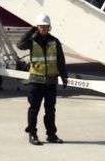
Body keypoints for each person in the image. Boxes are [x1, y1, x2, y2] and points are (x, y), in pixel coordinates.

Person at [17, 14, 68, 146]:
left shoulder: (55, 41)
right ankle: (32, 134)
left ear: (49, 27)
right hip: (36, 81)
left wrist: (64, 76)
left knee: (50, 110)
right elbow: (20, 45)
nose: (43, 29)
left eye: (45, 26)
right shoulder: (32, 41)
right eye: (41, 26)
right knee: (34, 109)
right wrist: (30, 32)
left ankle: (51, 134)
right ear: (37, 27)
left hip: (51, 82)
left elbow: (60, 60)